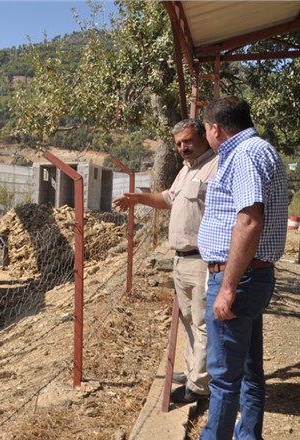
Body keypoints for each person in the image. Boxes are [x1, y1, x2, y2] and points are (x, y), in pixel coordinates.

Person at [197, 96, 288, 439]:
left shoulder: (244, 155)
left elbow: (249, 221)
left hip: (237, 276)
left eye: (205, 130)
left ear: (215, 129)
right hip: (253, 275)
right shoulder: (259, 149)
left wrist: (228, 287)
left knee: (223, 377)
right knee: (249, 369)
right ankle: (248, 435)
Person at [114, 118, 218, 403]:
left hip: (201, 259)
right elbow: (169, 198)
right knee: (187, 320)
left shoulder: (216, 167)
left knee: (202, 322)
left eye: (187, 141)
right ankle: (192, 370)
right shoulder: (186, 170)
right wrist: (139, 199)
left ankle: (200, 387)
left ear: (203, 137)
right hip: (181, 259)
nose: (183, 147)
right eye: (179, 144)